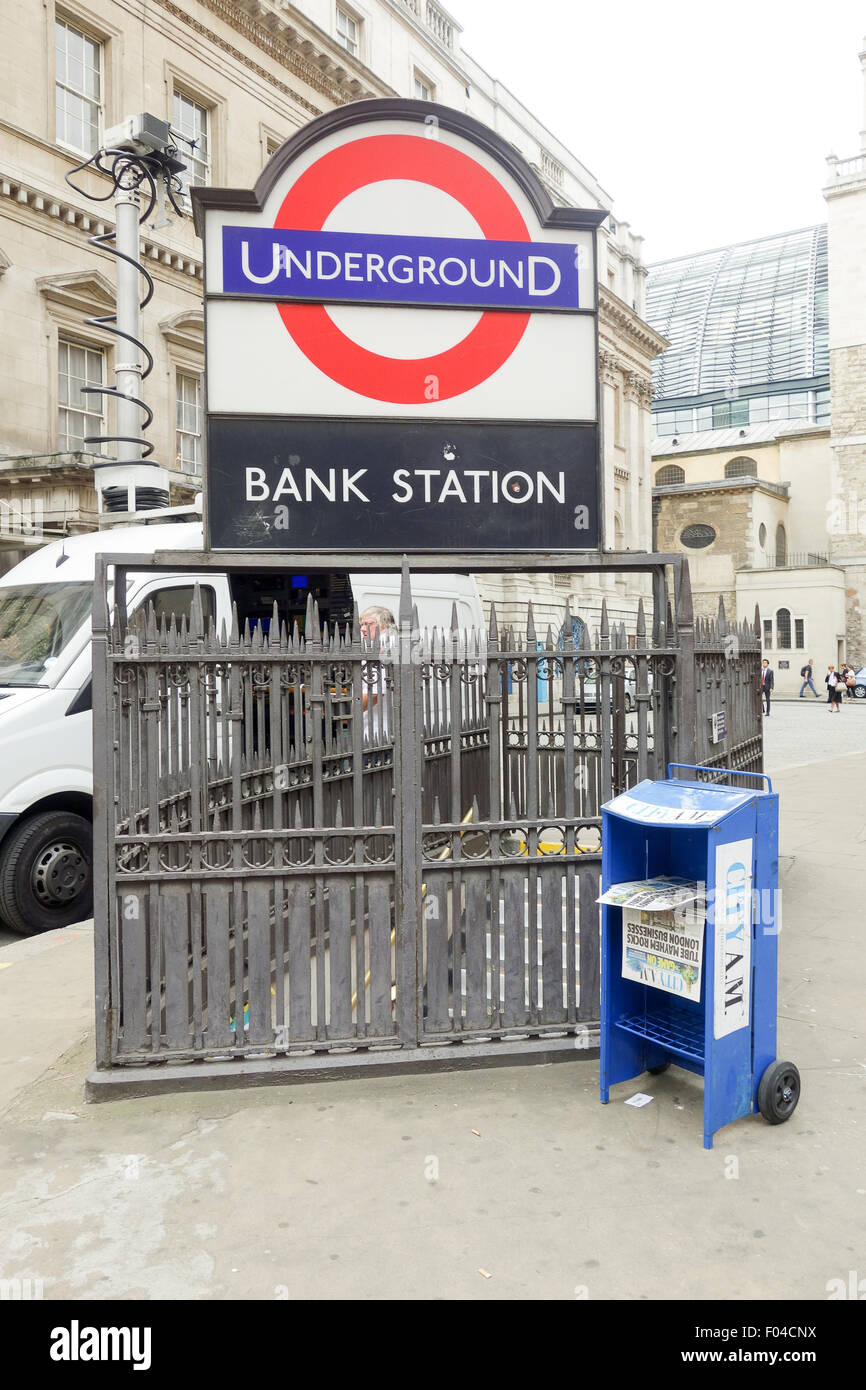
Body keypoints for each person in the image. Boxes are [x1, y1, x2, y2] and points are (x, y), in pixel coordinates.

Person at [359, 605, 397, 744]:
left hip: (378, 733)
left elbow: (374, 693)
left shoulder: (383, 649)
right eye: (361, 624)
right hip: (379, 729)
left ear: (384, 626)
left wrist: (346, 711)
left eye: (368, 624)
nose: (362, 628)